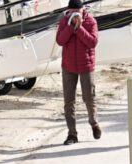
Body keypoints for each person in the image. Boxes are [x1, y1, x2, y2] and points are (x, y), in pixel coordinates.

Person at [56, 0, 99, 146]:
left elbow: (93, 42)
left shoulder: (90, 21)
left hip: (86, 66)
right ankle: (72, 134)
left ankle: (93, 123)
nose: (74, 15)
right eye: (71, 13)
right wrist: (70, 27)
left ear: (83, 11)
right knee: (69, 102)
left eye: (77, 13)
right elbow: (60, 41)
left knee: (89, 97)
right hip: (68, 66)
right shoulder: (64, 21)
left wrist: (79, 28)